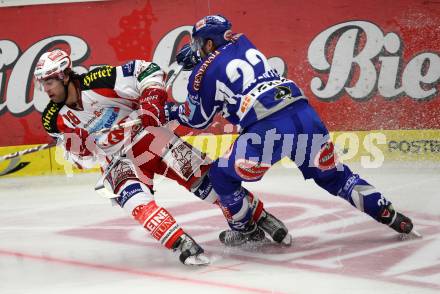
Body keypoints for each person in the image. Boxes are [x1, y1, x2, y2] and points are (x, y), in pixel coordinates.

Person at [166, 14, 421, 246]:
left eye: (200, 43)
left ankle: (245, 230)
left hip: (267, 129)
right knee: (336, 177)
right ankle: (390, 214)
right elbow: (227, 67)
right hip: (304, 115)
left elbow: (197, 119)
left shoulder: (202, 72)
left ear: (209, 43)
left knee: (221, 175)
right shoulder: (244, 42)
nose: (197, 49)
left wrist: (170, 109)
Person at [34, 49, 291, 266]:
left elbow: (148, 70)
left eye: (50, 82)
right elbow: (82, 159)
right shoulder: (52, 120)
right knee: (135, 200)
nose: (46, 89)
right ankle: (181, 243)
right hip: (117, 160)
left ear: (66, 76)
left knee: (205, 182)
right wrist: (80, 147)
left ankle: (261, 218)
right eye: (43, 83)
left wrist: (150, 102)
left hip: (148, 136)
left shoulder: (98, 78)